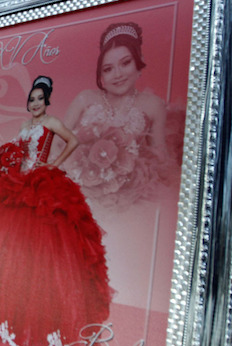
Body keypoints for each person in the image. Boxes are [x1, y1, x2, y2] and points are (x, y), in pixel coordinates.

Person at [0, 76, 112, 346]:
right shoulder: (24, 126)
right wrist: (8, 165)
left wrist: (52, 165)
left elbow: (74, 140)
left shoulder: (51, 123)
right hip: (17, 184)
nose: (35, 103)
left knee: (44, 246)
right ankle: (2, 309)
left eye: (40, 99)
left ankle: (41, 318)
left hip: (41, 185)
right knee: (3, 244)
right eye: (31, 99)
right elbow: (13, 154)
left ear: (47, 101)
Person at [62, 22, 173, 209]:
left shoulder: (153, 105)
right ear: (101, 75)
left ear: (139, 62)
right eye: (108, 69)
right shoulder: (85, 99)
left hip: (125, 197)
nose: (117, 74)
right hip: (76, 191)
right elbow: (58, 144)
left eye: (125, 63)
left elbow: (159, 158)